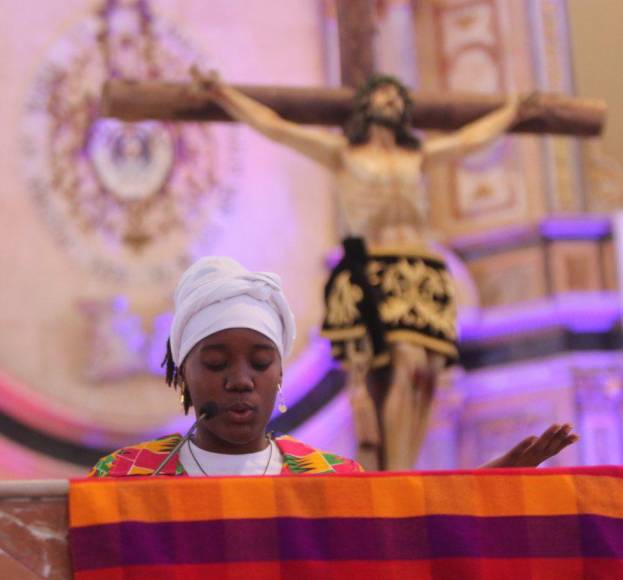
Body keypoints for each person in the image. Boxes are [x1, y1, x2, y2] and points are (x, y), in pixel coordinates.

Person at [188, 70, 543, 471]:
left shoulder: (417, 156)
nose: (390, 100)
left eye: (397, 95)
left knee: (424, 374)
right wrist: (223, 93)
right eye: (383, 94)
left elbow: (470, 140)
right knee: (401, 363)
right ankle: (394, 471)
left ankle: (403, 463)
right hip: (375, 270)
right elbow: (276, 127)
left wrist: (512, 112)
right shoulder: (344, 153)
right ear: (366, 105)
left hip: (421, 271)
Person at [89, 257, 578, 478]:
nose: (241, 380)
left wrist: (482, 490)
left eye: (261, 363)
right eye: (216, 363)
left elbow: (407, 540)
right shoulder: (127, 478)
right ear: (183, 377)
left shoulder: (330, 479)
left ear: (280, 374)